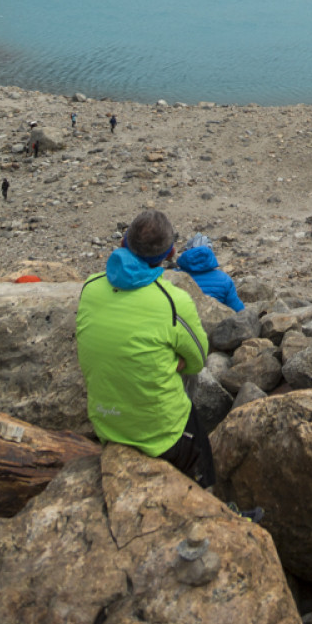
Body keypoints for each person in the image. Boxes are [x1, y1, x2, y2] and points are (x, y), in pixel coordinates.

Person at [75, 208, 215, 488]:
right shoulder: (173, 301)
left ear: (123, 242)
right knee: (200, 443)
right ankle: (211, 499)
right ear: (170, 253)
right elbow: (199, 360)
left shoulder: (90, 287)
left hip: (106, 425)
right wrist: (174, 362)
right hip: (160, 435)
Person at [176, 235, 244, 311]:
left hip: (181, 321)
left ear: (187, 251)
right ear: (210, 253)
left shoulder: (175, 276)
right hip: (215, 321)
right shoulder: (224, 279)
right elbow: (239, 311)